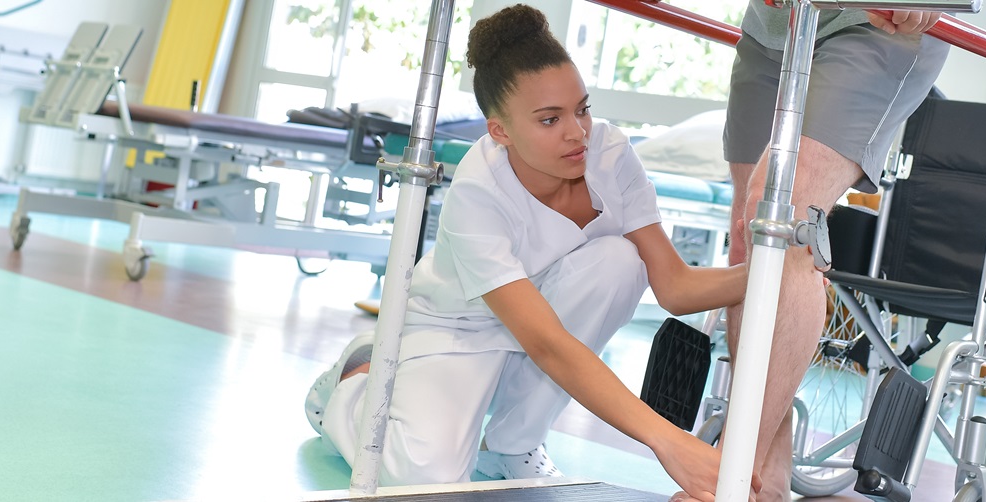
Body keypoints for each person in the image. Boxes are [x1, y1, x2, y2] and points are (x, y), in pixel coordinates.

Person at [304, 5, 754, 500]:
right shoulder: (479, 190)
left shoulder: (611, 153)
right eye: (549, 119)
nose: (576, 132)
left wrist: (775, 274)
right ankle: (351, 388)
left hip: (544, 321)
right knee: (427, 480)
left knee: (620, 262)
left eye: (582, 108)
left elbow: (674, 285)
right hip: (458, 326)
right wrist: (670, 443)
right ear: (500, 130)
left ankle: (512, 445)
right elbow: (547, 344)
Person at [717, 3, 949, 500]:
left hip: (875, 27)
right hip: (775, 27)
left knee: (780, 215)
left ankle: (729, 480)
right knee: (750, 236)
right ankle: (765, 479)